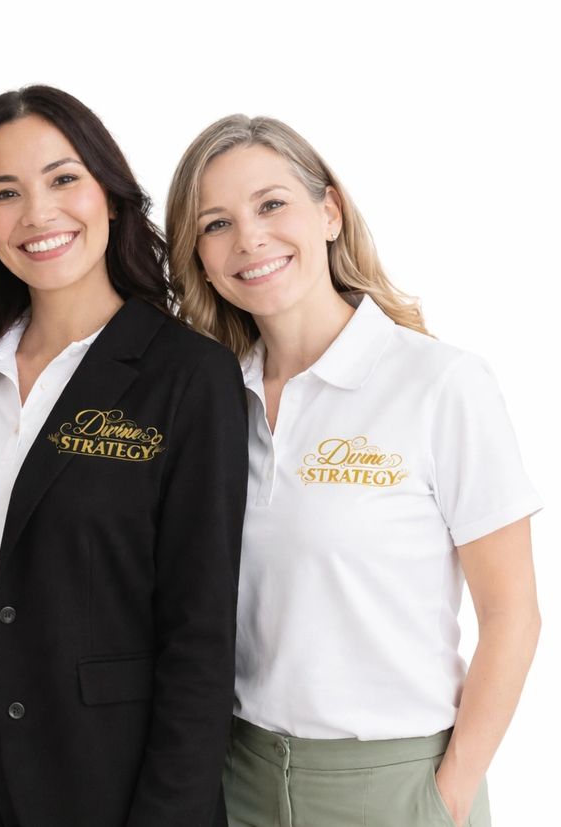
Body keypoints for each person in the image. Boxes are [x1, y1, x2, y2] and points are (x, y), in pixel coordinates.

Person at [166, 114, 542, 827]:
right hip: (237, 777)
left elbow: (512, 614)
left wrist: (449, 793)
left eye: (272, 204)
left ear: (330, 210)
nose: (249, 238)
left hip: (396, 786)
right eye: (215, 223)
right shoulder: (210, 403)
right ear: (200, 257)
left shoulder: (439, 383)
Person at [0, 85, 247, 827]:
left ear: (112, 197)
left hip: (106, 775)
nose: (38, 213)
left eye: (64, 179)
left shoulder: (186, 375)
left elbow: (201, 632)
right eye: (5, 192)